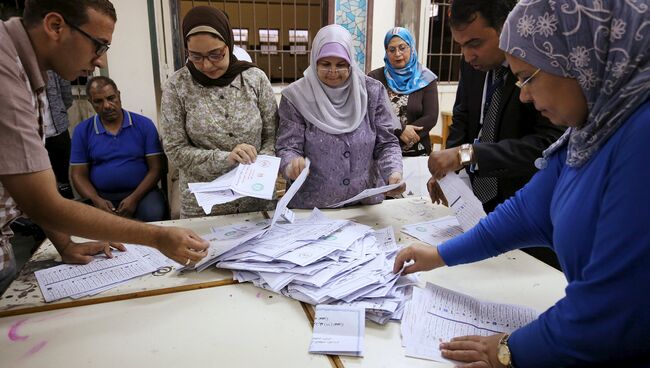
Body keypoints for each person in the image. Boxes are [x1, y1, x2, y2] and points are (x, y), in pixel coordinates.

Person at [394, 1, 650, 366]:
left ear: (580, 59)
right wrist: (438, 256)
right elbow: (525, 213)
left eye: (529, 77)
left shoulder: (640, 136)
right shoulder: (589, 133)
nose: (525, 95)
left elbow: (615, 306)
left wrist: (510, 350)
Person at [0, 0, 208, 292]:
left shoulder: (32, 74)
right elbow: (45, 202)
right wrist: (157, 237)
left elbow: (30, 186)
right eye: (99, 45)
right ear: (55, 26)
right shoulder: (6, 74)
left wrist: (66, 245)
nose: (99, 60)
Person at [427, 0, 564, 213]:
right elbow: (462, 116)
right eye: (460, 45)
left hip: (525, 198)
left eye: (474, 43)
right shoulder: (472, 63)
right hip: (474, 197)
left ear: (506, 27)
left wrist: (470, 154)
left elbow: (550, 143)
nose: (467, 55)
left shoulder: (538, 66)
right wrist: (448, 172)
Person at [160, 6, 277, 218]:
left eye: (216, 55)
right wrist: (226, 159)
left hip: (254, 199)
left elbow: (272, 135)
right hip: (203, 208)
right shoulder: (177, 86)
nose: (206, 65)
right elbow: (175, 149)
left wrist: (260, 165)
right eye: (196, 56)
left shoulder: (254, 79)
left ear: (229, 44)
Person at [275, 24, 404, 209]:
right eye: (325, 64)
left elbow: (386, 143)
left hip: (364, 207)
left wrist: (394, 172)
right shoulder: (296, 97)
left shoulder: (371, 92)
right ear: (314, 61)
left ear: (350, 62)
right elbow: (287, 147)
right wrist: (291, 165)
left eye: (341, 65)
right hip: (313, 208)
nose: (333, 71)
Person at [70, 76, 166, 222]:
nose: (107, 105)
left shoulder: (144, 125)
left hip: (142, 193)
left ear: (119, 95)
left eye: (111, 98)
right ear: (90, 102)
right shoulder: (82, 131)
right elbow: (78, 175)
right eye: (98, 101)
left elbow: (157, 168)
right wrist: (96, 200)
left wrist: (134, 198)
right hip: (101, 195)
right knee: (89, 225)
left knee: (153, 215)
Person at [368, 27, 438, 157]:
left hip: (417, 154)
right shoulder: (374, 78)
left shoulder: (426, 78)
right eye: (392, 49)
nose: (397, 53)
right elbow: (371, 114)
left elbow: (431, 117)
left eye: (402, 47)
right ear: (386, 52)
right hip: (383, 154)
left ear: (411, 48)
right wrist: (400, 130)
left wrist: (404, 137)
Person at [44, 70, 74, 199]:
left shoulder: (53, 68)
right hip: (34, 134)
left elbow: (67, 95)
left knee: (64, 171)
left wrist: (59, 112)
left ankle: (66, 195)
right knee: (43, 173)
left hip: (58, 128)